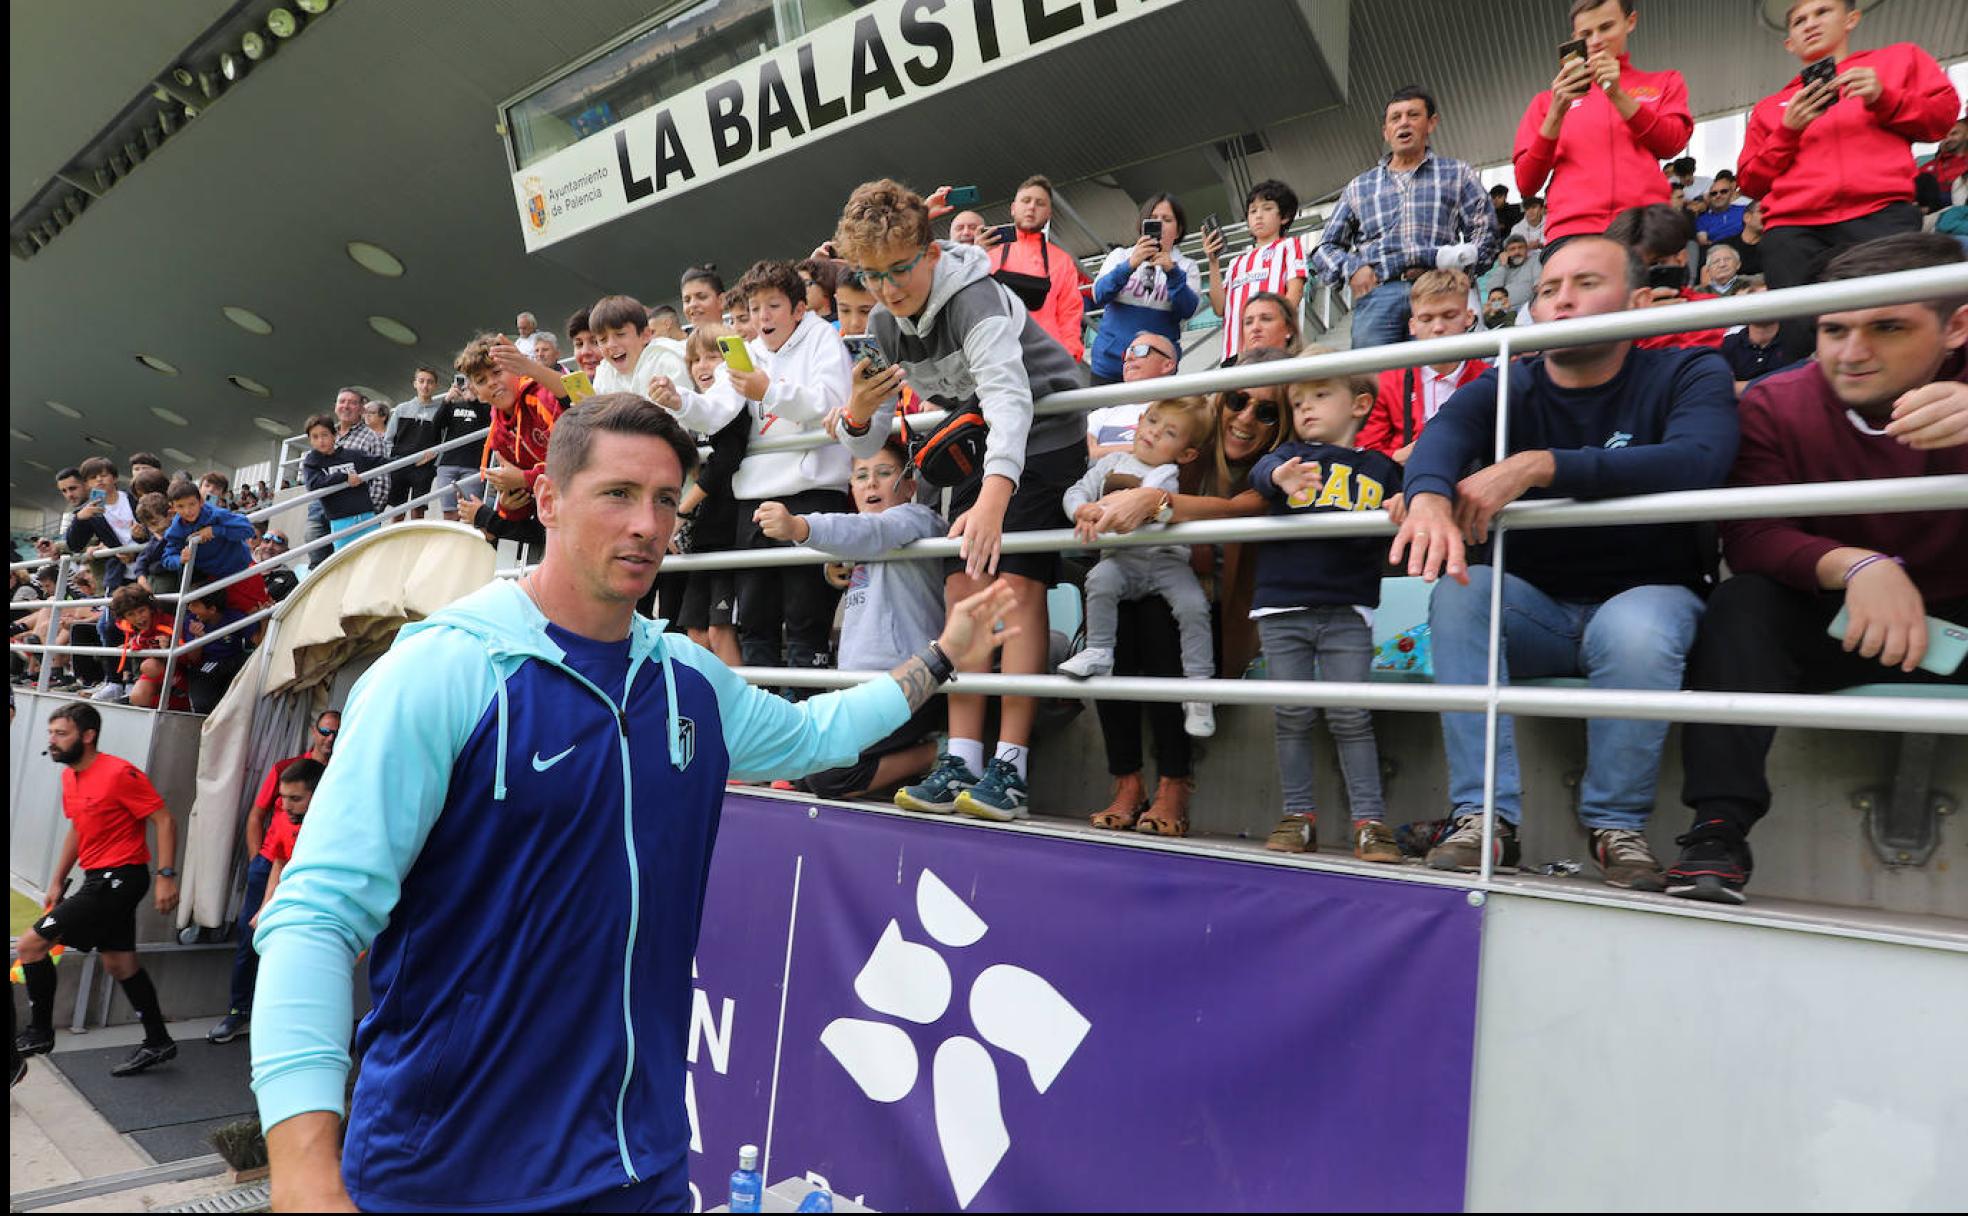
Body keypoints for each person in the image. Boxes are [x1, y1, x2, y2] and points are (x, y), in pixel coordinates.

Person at [250, 394, 1016, 1212]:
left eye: (664, 499)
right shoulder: (442, 672)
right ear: (547, 501)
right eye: (617, 494)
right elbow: (316, 918)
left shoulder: (688, 682)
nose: (648, 524)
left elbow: (816, 735)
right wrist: (302, 1173)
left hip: (637, 1165)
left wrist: (937, 660)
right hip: (448, 1174)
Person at [1387, 234, 1739, 889]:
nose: (1562, 301)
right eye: (1548, 290)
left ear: (1637, 301)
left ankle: (1615, 827)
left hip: (1646, 596)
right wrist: (1428, 497)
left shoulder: (1688, 370)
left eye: (1584, 284)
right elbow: (1444, 434)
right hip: (1537, 614)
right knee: (1462, 588)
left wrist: (1538, 466)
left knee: (1638, 629)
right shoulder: (1510, 382)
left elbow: (1700, 458)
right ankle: (1484, 818)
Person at [1668, 233, 1968, 904]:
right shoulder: (1776, 403)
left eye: (1888, 327)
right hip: (1842, 616)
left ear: (1957, 325)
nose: (1853, 353)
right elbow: (1749, 535)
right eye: (1834, 328)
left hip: (1959, 618)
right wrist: (1859, 567)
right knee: (1743, 602)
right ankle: (1716, 831)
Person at [835, 178, 1090, 820]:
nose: (887, 288)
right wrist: (857, 415)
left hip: (1047, 432)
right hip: (979, 439)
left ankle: (1011, 766)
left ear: (930, 250)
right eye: (870, 276)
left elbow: (1011, 398)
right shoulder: (886, 325)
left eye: (899, 270)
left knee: (1016, 588)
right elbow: (858, 441)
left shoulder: (974, 298)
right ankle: (963, 756)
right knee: (961, 593)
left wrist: (995, 500)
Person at [1076, 348, 1292, 836]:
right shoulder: (1185, 446)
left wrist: (1159, 501)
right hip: (1158, 591)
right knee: (1115, 622)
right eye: (1237, 400)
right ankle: (1127, 780)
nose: (1245, 418)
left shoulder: (1279, 464)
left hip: (1223, 617)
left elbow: (1242, 510)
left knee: (1157, 618)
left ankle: (1174, 782)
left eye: (1266, 411)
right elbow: (1112, 482)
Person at [1737, 0, 1957, 360]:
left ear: (1851, 19)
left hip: (1881, 213)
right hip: (1794, 231)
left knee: (1896, 326)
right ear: (1789, 42)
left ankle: (1900, 412)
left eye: (1822, 12)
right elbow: (1750, 182)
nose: (1810, 23)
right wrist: (1787, 132)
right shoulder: (1769, 107)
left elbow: (1943, 119)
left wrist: (1884, 97)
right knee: (1805, 343)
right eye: (1799, 20)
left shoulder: (1898, 61)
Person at [665, 260, 853, 680]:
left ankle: (810, 724)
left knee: (806, 620)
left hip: (813, 495)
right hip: (752, 503)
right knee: (755, 623)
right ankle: (764, 723)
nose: (763, 317)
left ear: (799, 309)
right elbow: (716, 410)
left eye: (773, 306)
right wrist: (680, 401)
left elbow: (831, 403)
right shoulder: (744, 350)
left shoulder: (823, 339)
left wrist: (769, 390)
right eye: (754, 308)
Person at [1248, 357, 1404, 861]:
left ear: (1360, 405)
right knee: (1291, 715)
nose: (1305, 408)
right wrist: (1280, 477)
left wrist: (1413, 498)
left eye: (1319, 396)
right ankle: (1298, 815)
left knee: (1351, 715)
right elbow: (1260, 471)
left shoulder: (1381, 468)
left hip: (1347, 609)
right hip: (1282, 604)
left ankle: (1370, 821)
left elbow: (1412, 492)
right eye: (1297, 402)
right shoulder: (1291, 456)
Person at [754, 438, 950, 800]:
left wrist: (800, 527)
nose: (871, 483)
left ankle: (940, 750)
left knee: (830, 779)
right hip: (863, 688)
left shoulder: (917, 519)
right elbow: (863, 540)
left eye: (884, 472)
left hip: (911, 688)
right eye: (861, 475)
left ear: (910, 485)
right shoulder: (860, 541)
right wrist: (834, 568)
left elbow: (874, 533)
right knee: (805, 769)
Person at [14, 703, 180, 1077]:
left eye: (62, 733)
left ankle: (40, 1032)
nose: (52, 741)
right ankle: (158, 1041)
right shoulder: (70, 777)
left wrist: (167, 876)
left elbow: (164, 819)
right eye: (51, 733)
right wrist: (57, 879)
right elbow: (78, 827)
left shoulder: (119, 772)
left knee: (30, 945)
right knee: (119, 964)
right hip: (96, 877)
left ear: (88, 736)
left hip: (121, 877)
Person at [1058, 396, 1219, 736]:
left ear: (1186, 453)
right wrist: (1080, 510)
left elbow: (1152, 500)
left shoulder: (1166, 473)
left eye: (1170, 431)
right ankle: (1099, 650)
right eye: (1153, 420)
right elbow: (1076, 491)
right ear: (1141, 418)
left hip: (1165, 561)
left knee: (1193, 606)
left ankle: (1199, 687)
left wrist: (1117, 506)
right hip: (1122, 560)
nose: (1155, 432)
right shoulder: (1110, 462)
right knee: (1099, 579)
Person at [1313, 86, 1498, 350]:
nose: (1404, 123)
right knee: (1374, 382)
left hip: (1438, 291)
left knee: (1438, 375)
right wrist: (1352, 268)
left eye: (1413, 115)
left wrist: (1459, 270)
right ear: (1385, 132)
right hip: (1379, 293)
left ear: (1431, 122)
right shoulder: (1359, 186)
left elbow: (1486, 234)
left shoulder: (1456, 173)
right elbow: (1325, 248)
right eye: (1395, 118)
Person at [209, 712, 339, 1044]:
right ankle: (239, 1012)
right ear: (313, 731)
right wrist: (258, 862)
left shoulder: (340, 778)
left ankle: (295, 1025)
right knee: (252, 937)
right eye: (324, 730)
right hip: (273, 864)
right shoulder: (287, 769)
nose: (329, 737)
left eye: (336, 732)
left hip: (310, 872)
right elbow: (259, 815)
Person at [1514, 0, 1691, 243]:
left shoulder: (1665, 81)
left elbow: (1672, 143)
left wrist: (1617, 94)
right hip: (1573, 230)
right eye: (1585, 34)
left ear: (1630, 22)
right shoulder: (1546, 102)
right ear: (1574, 37)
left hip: (1647, 228)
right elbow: (1526, 184)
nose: (1595, 40)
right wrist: (1556, 113)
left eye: (1606, 27)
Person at [652, 324, 750, 666]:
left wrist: (680, 513)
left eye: (713, 357)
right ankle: (713, 710)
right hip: (702, 531)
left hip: (728, 530)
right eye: (695, 359)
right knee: (695, 633)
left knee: (719, 631)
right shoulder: (693, 413)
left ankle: (743, 714)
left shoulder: (735, 405)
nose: (702, 366)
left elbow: (725, 462)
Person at [1358, 271, 1489, 462]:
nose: (1437, 327)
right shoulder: (1387, 382)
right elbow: (1366, 452)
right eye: (1426, 319)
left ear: (1469, 317)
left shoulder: (1489, 378)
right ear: (1412, 325)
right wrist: (1398, 457)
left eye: (1449, 316)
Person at [1088, 194, 1200, 384]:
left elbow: (1187, 310)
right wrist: (1129, 265)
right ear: (1143, 224)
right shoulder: (1120, 256)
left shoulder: (1187, 266)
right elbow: (1099, 295)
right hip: (1110, 367)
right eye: (1154, 218)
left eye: (1167, 220)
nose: (1160, 224)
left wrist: (1172, 272)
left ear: (1178, 229)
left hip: (1158, 370)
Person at [458, 332, 564, 526]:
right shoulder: (498, 434)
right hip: (554, 513)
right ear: (478, 394)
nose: (491, 382)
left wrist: (525, 479)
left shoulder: (542, 398)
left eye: (497, 372)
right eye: (481, 381)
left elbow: (578, 463)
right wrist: (508, 506)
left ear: (516, 371)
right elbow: (520, 496)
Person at [1203, 178, 1305, 364]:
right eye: (1253, 211)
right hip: (1234, 353)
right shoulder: (1236, 262)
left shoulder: (1289, 246)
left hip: (1271, 350)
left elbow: (1295, 292)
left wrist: (1282, 331)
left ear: (1285, 216)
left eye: (1267, 208)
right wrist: (1213, 262)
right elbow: (1220, 309)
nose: (1258, 216)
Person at [985, 174, 1085, 359]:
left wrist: (1070, 353)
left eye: (1040, 203)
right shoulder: (988, 254)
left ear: (1049, 214)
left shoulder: (1062, 261)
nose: (1032, 207)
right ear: (1014, 208)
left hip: (1047, 358)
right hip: (997, 357)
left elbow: (1070, 312)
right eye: (1026, 201)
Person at [1605, 203, 1730, 348]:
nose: (1642, 274)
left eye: (1655, 264)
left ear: (1681, 258)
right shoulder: (1607, 315)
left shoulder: (1708, 308)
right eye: (1632, 267)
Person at [160, 478, 269, 612]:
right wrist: (179, 559)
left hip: (244, 570)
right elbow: (166, 558)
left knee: (262, 609)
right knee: (237, 620)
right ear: (173, 508)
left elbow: (247, 529)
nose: (188, 511)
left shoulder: (216, 514)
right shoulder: (175, 530)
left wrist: (216, 530)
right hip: (217, 581)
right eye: (181, 506)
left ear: (200, 501)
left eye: (191, 504)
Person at [249, 759, 322, 930]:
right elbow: (279, 862)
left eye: (295, 799)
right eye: (283, 797)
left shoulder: (334, 829)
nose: (286, 806)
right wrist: (265, 908)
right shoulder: (284, 820)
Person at [1086, 332, 1179, 458]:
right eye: (1128, 352)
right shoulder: (1101, 414)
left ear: (1167, 365)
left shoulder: (1181, 413)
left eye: (1140, 350)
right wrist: (1145, 448)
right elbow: (1087, 454)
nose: (1130, 358)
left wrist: (1103, 450)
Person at [300, 414, 384, 549]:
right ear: (310, 440)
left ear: (334, 435)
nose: (320, 440)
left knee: (375, 555)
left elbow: (380, 462)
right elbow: (313, 484)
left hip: (367, 516)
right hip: (340, 522)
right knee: (346, 563)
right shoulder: (312, 461)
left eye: (324, 435)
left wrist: (415, 459)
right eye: (315, 437)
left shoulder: (352, 455)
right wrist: (344, 477)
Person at [589, 294, 688, 399]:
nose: (610, 345)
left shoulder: (668, 358)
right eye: (602, 340)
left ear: (645, 335)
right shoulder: (604, 372)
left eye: (620, 334)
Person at [179, 588, 255, 713]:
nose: (190, 608)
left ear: (212, 609)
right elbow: (194, 659)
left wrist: (263, 619)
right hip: (208, 664)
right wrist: (198, 639)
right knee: (202, 704)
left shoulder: (234, 617)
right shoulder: (191, 620)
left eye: (195, 604)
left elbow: (257, 641)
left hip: (234, 662)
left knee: (250, 661)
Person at [429, 376, 491, 521]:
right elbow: (436, 425)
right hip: (448, 464)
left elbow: (487, 422)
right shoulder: (452, 406)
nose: (466, 387)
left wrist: (473, 400)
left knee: (470, 512)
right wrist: (446, 400)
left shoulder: (486, 406)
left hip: (473, 465)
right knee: (449, 513)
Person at [387, 369, 446, 519]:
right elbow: (388, 439)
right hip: (400, 465)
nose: (425, 385)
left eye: (430, 382)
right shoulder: (401, 409)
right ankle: (397, 541)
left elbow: (445, 441)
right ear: (415, 384)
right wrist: (391, 462)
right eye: (421, 381)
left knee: (418, 511)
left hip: (424, 467)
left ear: (436, 386)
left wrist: (434, 463)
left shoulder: (440, 411)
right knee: (397, 511)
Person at [1717, 280, 1786, 391]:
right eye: (1757, 301)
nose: (1763, 306)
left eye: (1769, 300)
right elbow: (1724, 388)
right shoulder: (1730, 344)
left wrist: (1741, 387)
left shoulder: (1795, 342)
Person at [335, 391, 392, 518]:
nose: (366, 416)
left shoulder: (376, 439)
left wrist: (369, 511)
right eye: (365, 412)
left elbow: (381, 478)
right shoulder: (331, 435)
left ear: (383, 416)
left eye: (370, 413)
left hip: (357, 509)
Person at [1480, 234, 1541, 310]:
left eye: (1521, 247)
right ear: (1506, 253)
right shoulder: (1502, 266)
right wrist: (1502, 266)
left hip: (1527, 307)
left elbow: (1538, 284)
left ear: (1526, 250)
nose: (1517, 252)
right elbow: (1493, 291)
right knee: (1487, 310)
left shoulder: (1534, 260)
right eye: (1512, 249)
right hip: (1503, 309)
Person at [1238, 291, 1301, 358]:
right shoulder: (1232, 368)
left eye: (1266, 319)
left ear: (1289, 328)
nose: (1255, 328)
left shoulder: (1308, 366)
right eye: (1248, 322)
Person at [1694, 172, 1749, 246]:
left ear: (1731, 193)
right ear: (1709, 197)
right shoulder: (1702, 220)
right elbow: (1704, 243)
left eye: (1723, 192)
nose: (1718, 195)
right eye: (1714, 193)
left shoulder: (1744, 211)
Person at [680, 265, 724, 332]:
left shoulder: (741, 340)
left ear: (721, 300)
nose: (692, 304)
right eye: (687, 300)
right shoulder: (686, 342)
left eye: (702, 297)